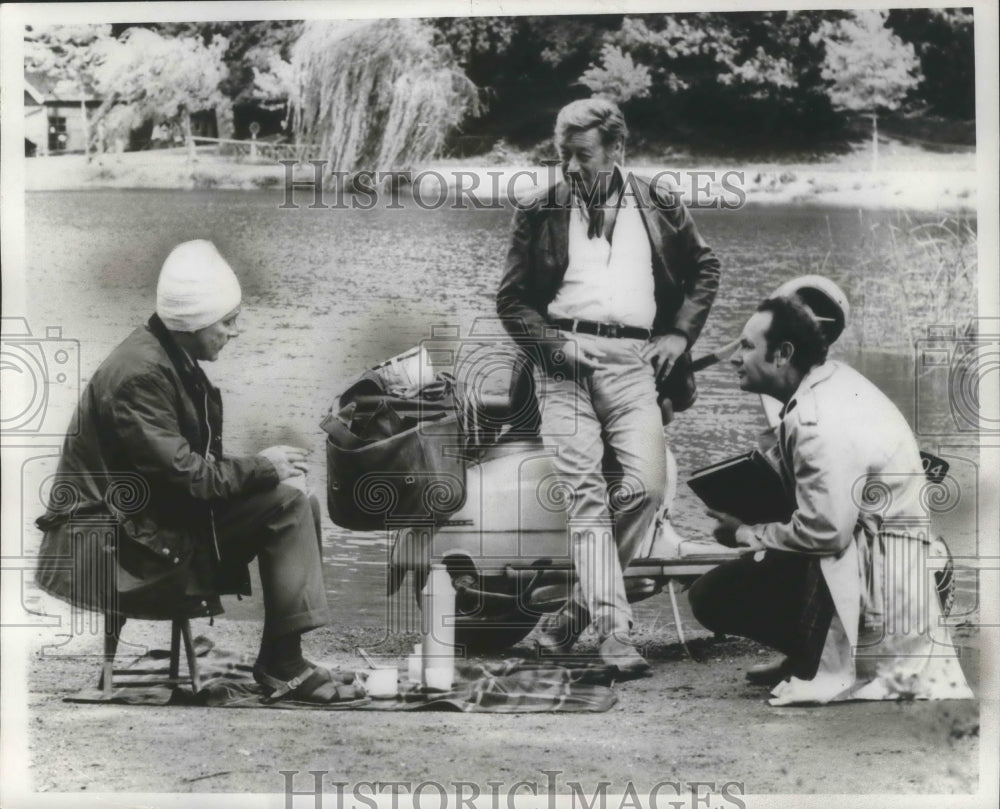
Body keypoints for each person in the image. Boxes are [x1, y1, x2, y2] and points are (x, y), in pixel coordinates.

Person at [35, 240, 358, 704]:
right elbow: (190, 477)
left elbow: (184, 473)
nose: (234, 332)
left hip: (142, 525)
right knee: (286, 503)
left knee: (296, 500)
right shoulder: (142, 375)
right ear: (195, 323)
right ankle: (282, 664)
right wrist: (263, 466)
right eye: (227, 322)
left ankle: (283, 656)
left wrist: (265, 471)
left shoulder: (165, 356)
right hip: (113, 548)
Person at [496, 98, 721, 672]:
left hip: (632, 363)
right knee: (586, 493)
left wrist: (678, 336)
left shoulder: (659, 202)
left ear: (617, 149)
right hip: (560, 364)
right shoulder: (540, 208)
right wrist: (554, 346)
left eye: (582, 156)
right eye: (562, 156)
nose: (570, 168)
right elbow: (512, 300)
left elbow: (705, 268)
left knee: (644, 488)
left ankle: (571, 614)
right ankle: (614, 633)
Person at [688, 281, 973, 705]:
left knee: (713, 595)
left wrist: (746, 533)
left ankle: (821, 659)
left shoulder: (818, 420)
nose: (735, 357)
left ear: (783, 354)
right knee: (730, 582)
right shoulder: (830, 382)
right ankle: (808, 652)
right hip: (887, 561)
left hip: (884, 580)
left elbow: (828, 533)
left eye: (747, 347)